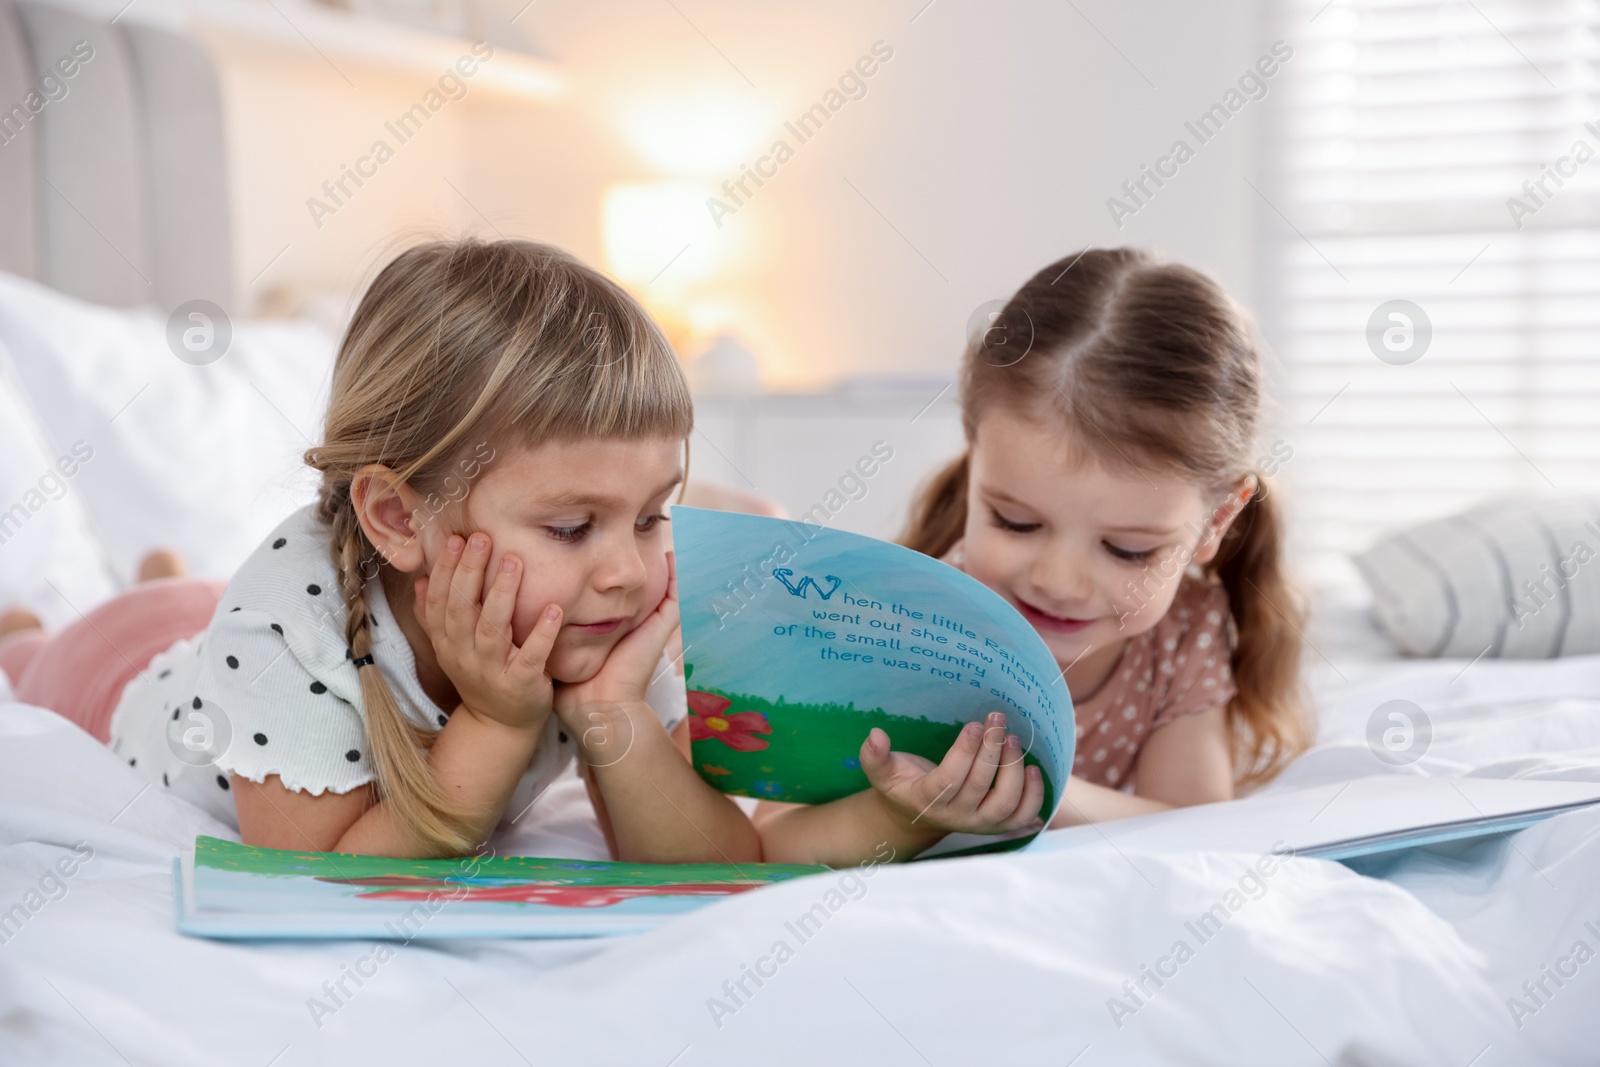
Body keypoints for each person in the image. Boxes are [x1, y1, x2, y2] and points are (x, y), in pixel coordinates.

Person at [2, 238, 760, 863]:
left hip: (203, 619)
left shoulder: (602, 610)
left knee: (188, 602)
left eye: (654, 515)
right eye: (570, 527)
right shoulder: (283, 628)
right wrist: (497, 723)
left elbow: (715, 863)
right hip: (115, 673)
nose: (629, 570)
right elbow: (328, 871)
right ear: (398, 516)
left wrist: (613, 710)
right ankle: (48, 623)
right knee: (43, 650)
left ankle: (169, 577)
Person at [756, 248, 1311, 865]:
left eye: (1128, 551)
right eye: (1016, 523)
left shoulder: (1185, 630)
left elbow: (1196, 825)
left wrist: (1040, 792)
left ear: (1217, 522)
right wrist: (900, 813)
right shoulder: (897, 617)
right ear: (974, 452)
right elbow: (770, 838)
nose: (1060, 582)